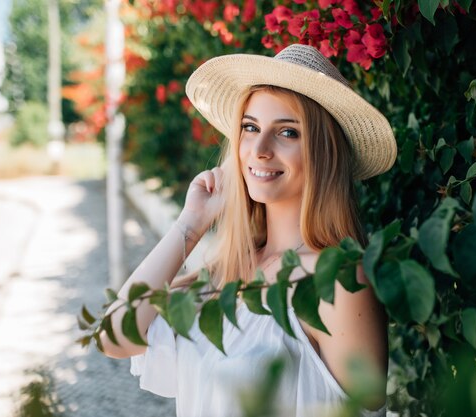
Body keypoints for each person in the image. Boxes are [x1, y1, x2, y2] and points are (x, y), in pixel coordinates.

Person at [100, 44, 397, 417]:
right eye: (250, 127)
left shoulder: (336, 280)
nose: (258, 149)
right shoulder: (228, 270)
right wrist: (190, 224)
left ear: (324, 152)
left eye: (287, 132)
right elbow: (115, 336)